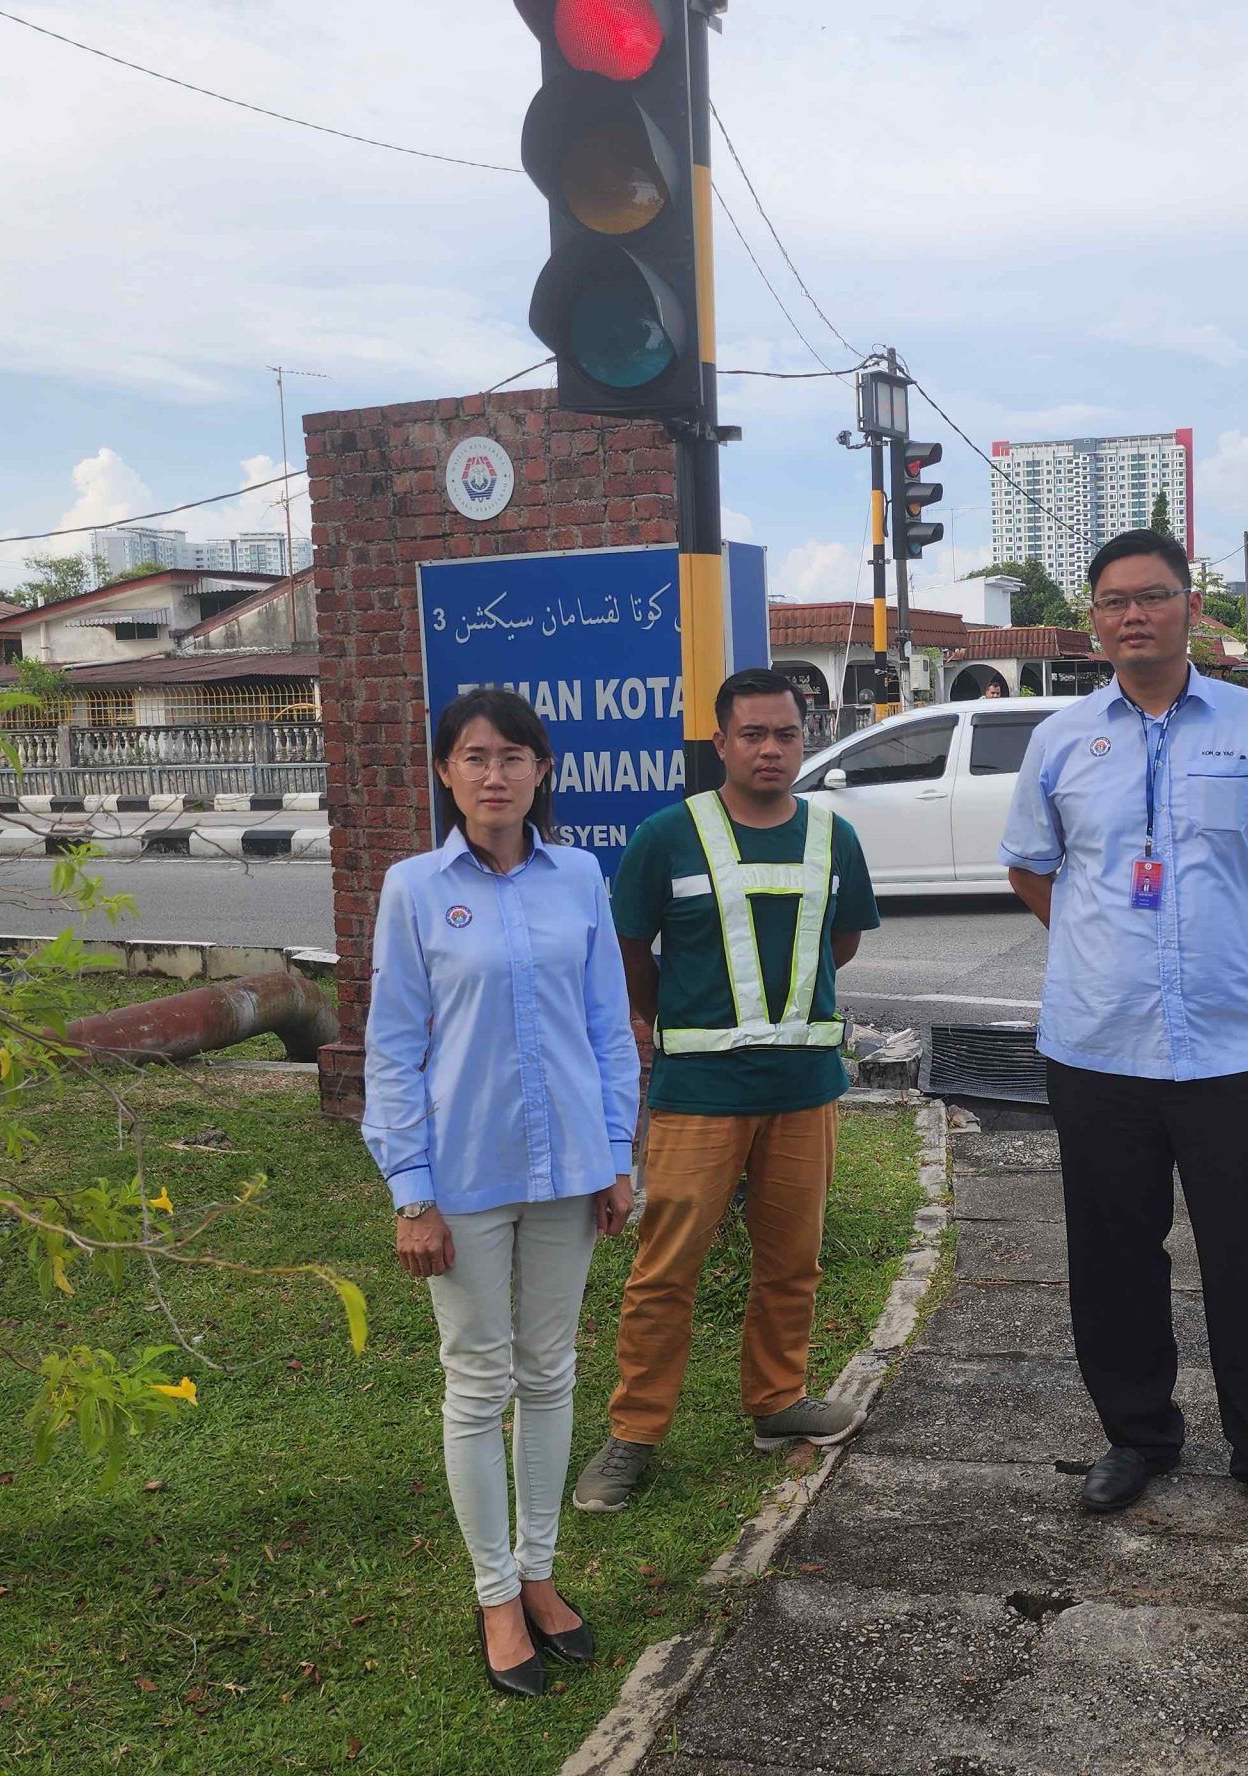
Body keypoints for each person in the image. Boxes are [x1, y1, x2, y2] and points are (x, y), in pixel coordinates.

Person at [999, 529, 1248, 1550]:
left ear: (1191, 607)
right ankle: (1137, 1438)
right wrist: (1094, 939)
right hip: (1095, 1046)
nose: (1132, 615)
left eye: (1151, 597)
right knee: (1111, 1257)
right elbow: (1030, 866)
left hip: (1228, 1047)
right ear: (1094, 620)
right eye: (1112, 601)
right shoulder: (1062, 738)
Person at [361, 688, 639, 1700]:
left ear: (540, 771)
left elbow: (609, 1028)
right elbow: (393, 1048)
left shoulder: (580, 878)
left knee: (552, 1371)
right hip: (463, 1175)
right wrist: (409, 1192)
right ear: (445, 772)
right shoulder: (415, 888)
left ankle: (539, 1572)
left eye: (513, 756)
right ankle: (493, 1594)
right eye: (474, 756)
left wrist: (617, 1155)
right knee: (479, 1382)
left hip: (569, 1167)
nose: (494, 774)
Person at [575, 669, 883, 1511]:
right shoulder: (665, 838)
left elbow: (840, 942)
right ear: (721, 743)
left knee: (793, 1261)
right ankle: (634, 1434)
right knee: (664, 1270)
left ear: (804, 737)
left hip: (803, 1087)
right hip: (699, 1093)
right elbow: (631, 950)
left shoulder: (833, 839)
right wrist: (663, 1014)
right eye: (753, 734)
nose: (772, 749)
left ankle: (778, 1403)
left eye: (786, 733)